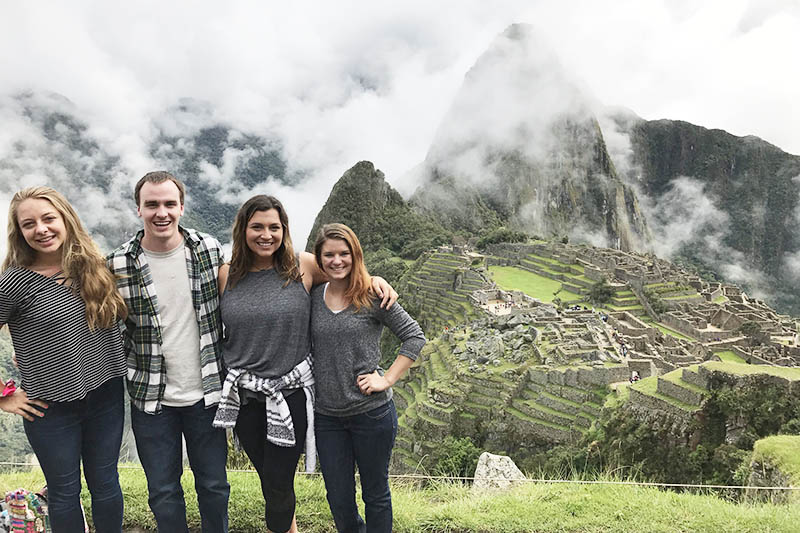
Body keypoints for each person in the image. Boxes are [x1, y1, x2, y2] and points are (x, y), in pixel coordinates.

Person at [212, 196, 396, 533]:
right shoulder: (227, 275)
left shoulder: (302, 266)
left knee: (279, 480)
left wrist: (376, 280)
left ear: (284, 230)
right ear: (243, 230)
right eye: (257, 227)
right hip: (245, 398)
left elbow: (346, 273)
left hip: (290, 394)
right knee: (270, 478)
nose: (265, 235)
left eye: (274, 227)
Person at [107, 171, 230, 533]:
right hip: (151, 399)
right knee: (162, 491)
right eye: (152, 205)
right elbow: (92, 313)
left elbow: (261, 276)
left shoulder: (208, 249)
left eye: (169, 204)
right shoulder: (117, 264)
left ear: (181, 206)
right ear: (139, 209)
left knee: (214, 486)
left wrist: (364, 276)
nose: (161, 213)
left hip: (206, 393)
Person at [0, 187, 127, 532]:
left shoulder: (95, 267)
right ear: (20, 233)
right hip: (49, 408)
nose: (40, 229)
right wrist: (4, 395)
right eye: (29, 224)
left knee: (105, 484)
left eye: (48, 218)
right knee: (65, 491)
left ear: (66, 219)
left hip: (106, 394)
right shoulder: (14, 282)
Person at [310, 223, 426, 533]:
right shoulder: (311, 296)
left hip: (371, 414)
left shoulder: (372, 295)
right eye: (329, 255)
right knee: (338, 497)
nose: (337, 261)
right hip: (328, 417)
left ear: (355, 255)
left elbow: (414, 336)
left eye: (344, 254)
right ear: (319, 259)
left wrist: (386, 379)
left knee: (375, 493)